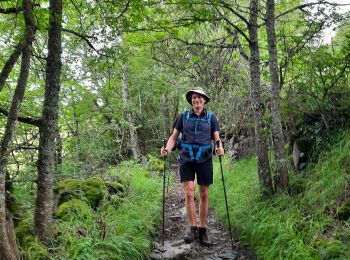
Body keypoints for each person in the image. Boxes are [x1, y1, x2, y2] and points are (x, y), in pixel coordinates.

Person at [161, 87, 224, 246]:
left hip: (204, 158)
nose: (197, 100)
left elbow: (216, 138)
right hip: (186, 158)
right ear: (191, 100)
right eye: (194, 97)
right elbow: (173, 137)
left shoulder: (211, 117)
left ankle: (203, 230)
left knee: (204, 193)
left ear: (204, 100)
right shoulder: (183, 116)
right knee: (189, 193)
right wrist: (167, 148)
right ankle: (193, 228)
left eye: (200, 97)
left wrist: (220, 147)